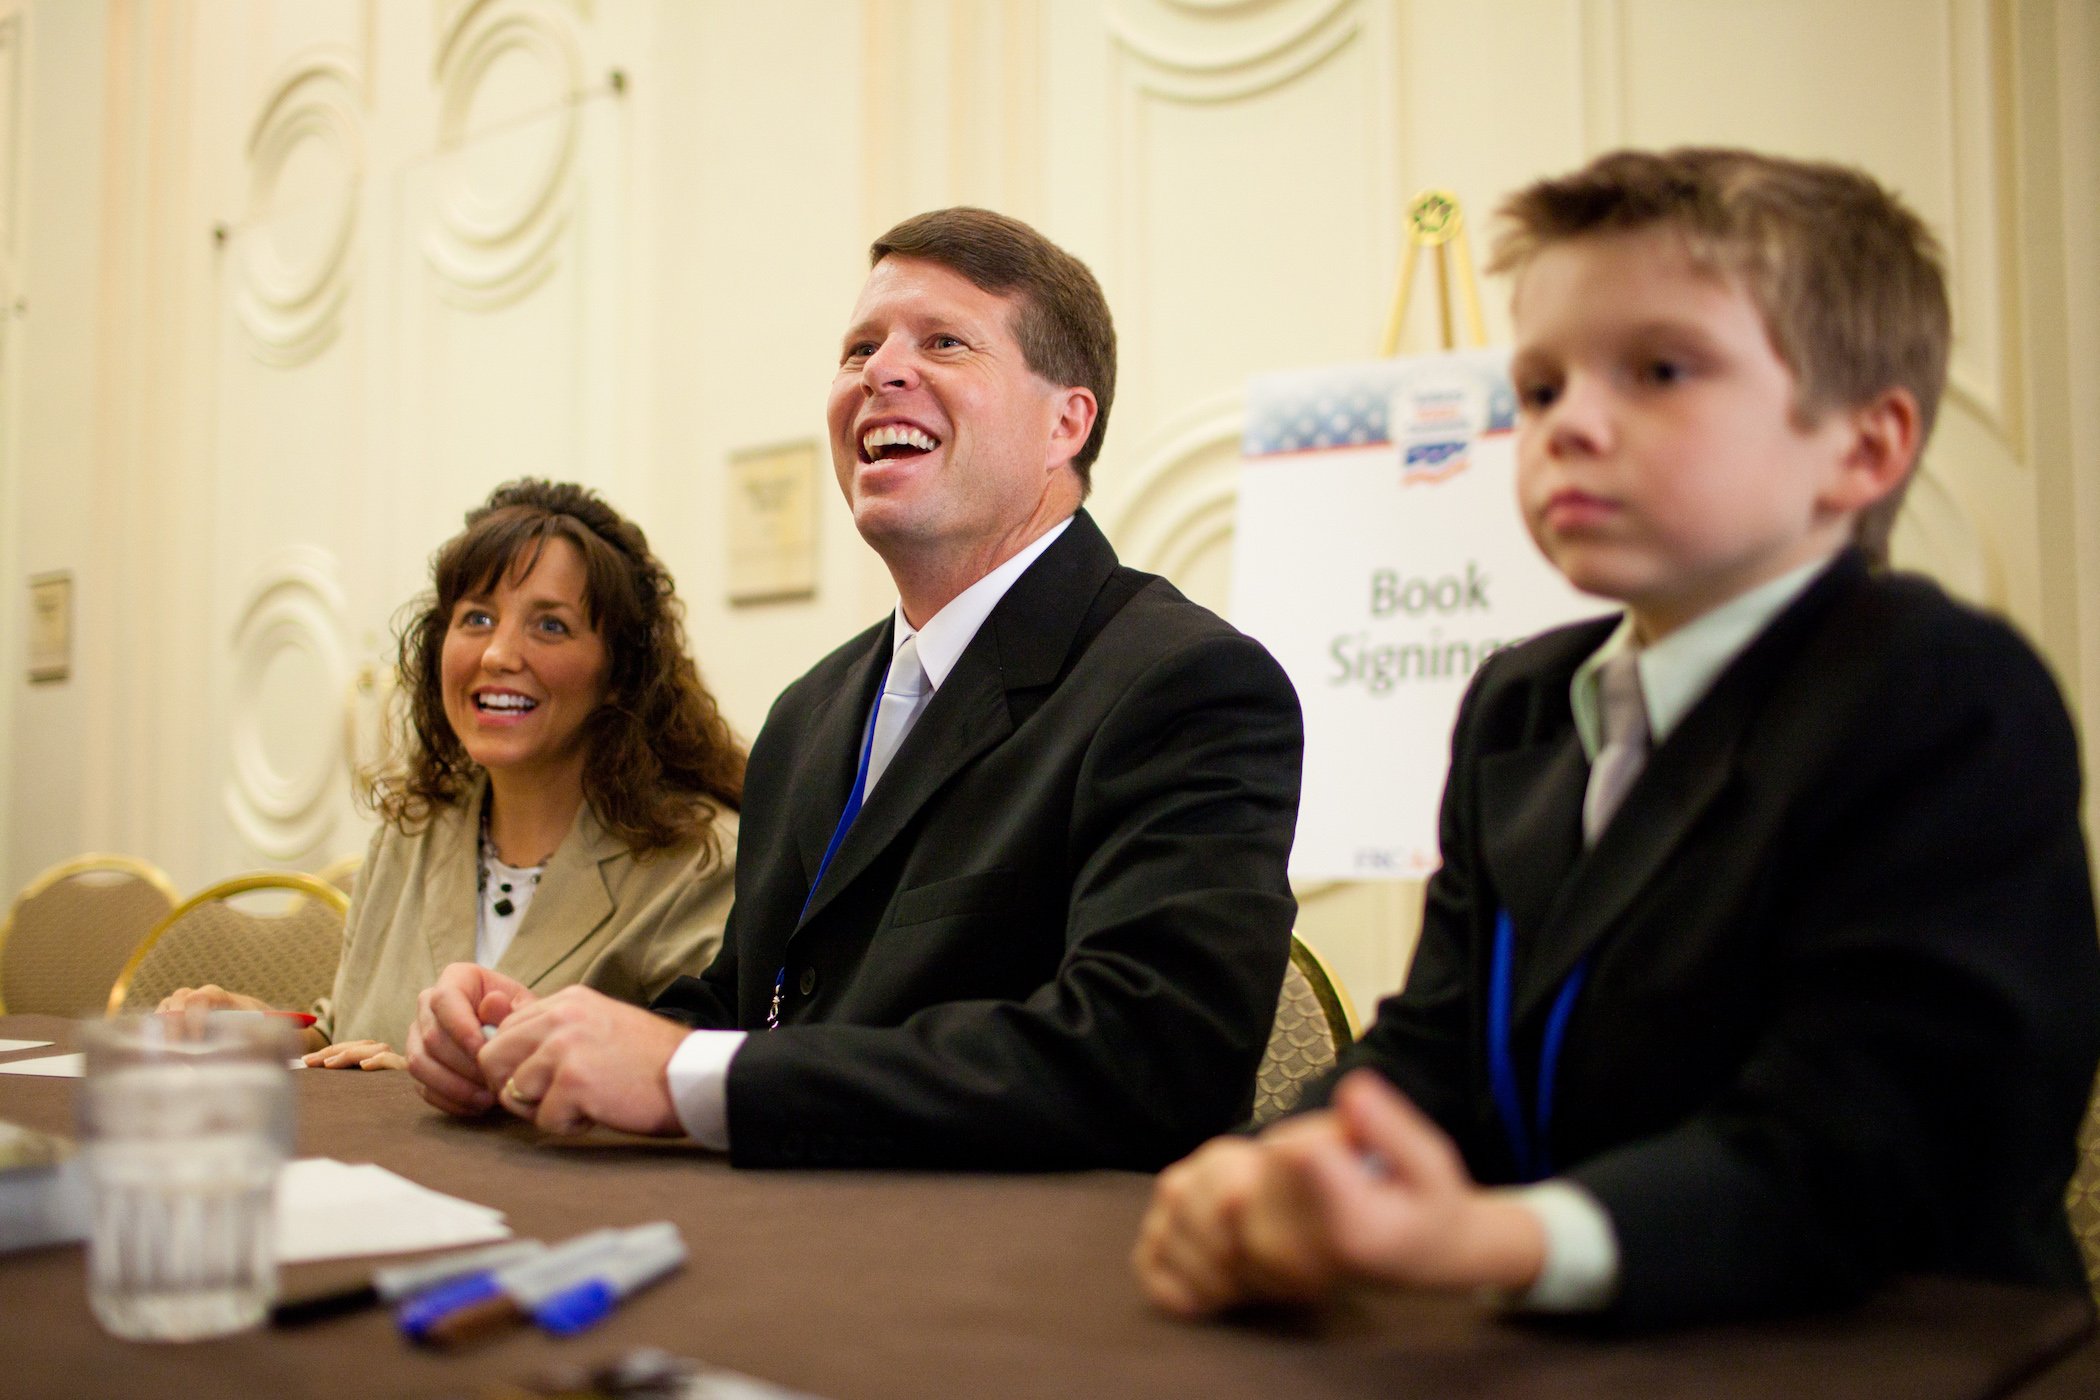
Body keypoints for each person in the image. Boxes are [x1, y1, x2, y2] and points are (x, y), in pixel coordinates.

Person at [1131, 148, 2100, 1329]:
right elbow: (1439, 1045)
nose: (1569, 426)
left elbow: (1882, 1139)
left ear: (1864, 446)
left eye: (1658, 369)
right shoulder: (1522, 701)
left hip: (1892, 1350)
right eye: (1537, 389)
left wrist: (1503, 1236)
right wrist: (1287, 1163)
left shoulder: (1942, 690)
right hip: (1583, 1342)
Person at [405, 208, 1304, 1169]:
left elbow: (1151, 1064)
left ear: (1065, 423)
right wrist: (539, 1041)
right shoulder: (810, 712)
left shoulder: (1185, 686)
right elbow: (750, 1006)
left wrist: (685, 1078)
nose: (881, 373)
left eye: (944, 342)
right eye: (859, 349)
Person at [161, 479, 743, 1070]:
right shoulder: (410, 832)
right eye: (478, 618)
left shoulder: (702, 864)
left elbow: (697, 1094)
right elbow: (353, 1026)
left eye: (550, 626)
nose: (497, 654)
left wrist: (422, 1093)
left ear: (620, 672)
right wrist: (269, 1033)